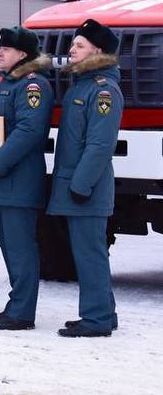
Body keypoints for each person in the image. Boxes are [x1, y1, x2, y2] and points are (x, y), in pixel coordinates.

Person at [0, 26, 53, 331]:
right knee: (9, 245)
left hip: (16, 179)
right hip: (2, 180)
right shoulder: (7, 83)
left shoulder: (33, 85)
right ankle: (15, 305)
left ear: (22, 54)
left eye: (6, 49)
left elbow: (30, 130)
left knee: (20, 247)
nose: (0, 54)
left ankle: (22, 312)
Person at [49, 19, 122, 338]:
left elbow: (100, 145)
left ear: (98, 50)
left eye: (79, 45)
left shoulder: (104, 90)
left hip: (87, 189)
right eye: (73, 44)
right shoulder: (83, 85)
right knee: (89, 251)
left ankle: (96, 319)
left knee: (89, 253)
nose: (71, 50)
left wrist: (81, 184)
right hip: (77, 186)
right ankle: (105, 311)